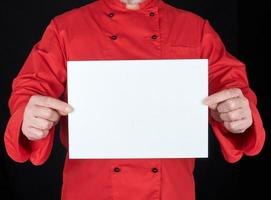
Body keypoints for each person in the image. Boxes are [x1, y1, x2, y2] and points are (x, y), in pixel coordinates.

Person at [4, 0, 265, 199]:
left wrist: (240, 113)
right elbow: (30, 88)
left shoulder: (196, 29)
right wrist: (28, 115)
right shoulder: (65, 28)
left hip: (171, 192)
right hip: (90, 192)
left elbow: (232, 85)